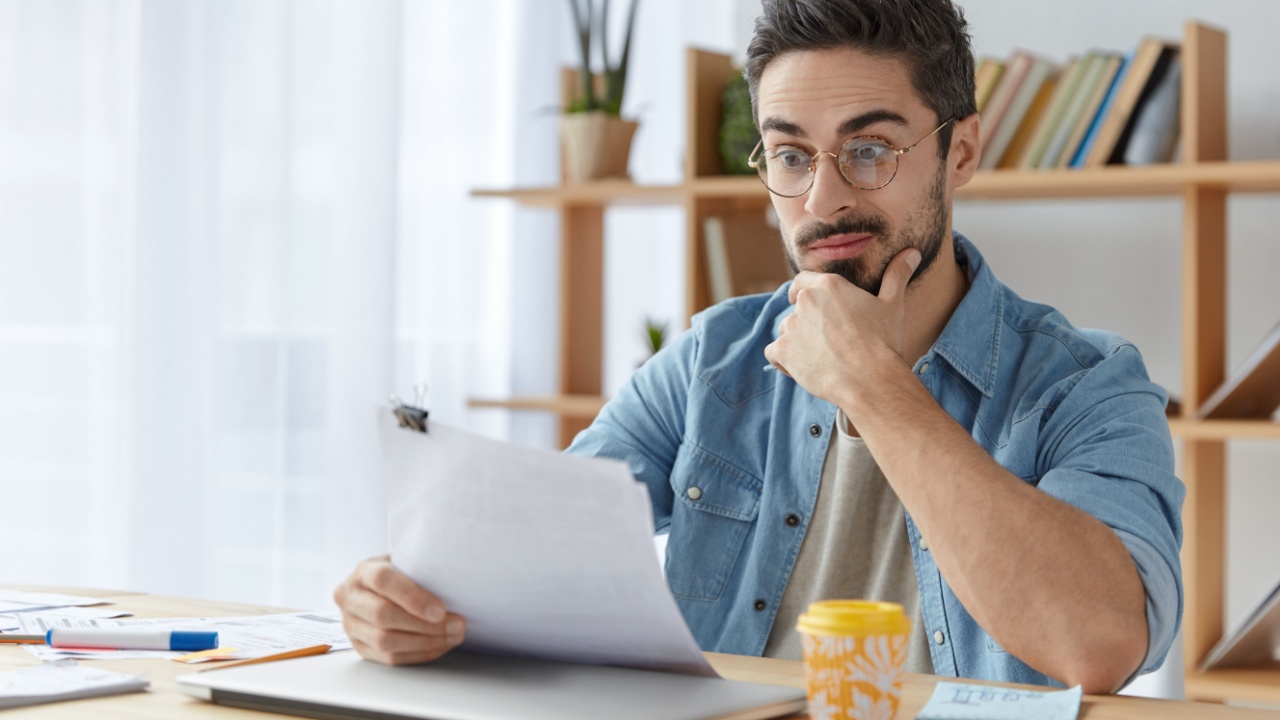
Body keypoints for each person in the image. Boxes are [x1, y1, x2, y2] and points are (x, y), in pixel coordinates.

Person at [334, 0, 1183, 694]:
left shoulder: (1088, 386)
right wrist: (409, 599)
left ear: (960, 151)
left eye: (868, 150)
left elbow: (1098, 644)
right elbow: (532, 555)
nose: (823, 198)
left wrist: (875, 389)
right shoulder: (712, 361)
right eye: (789, 154)